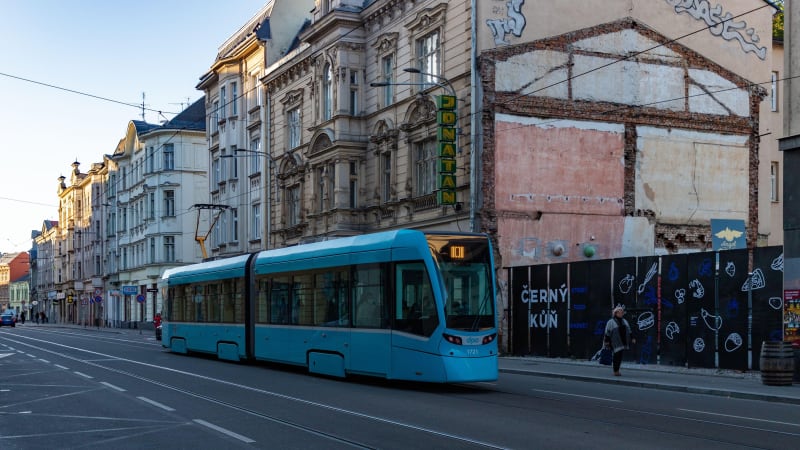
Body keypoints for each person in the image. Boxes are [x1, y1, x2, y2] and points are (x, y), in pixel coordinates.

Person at [604, 304, 635, 376]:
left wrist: (632, 338)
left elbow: (629, 330)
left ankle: (617, 370)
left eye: (622, 312)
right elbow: (607, 332)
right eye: (619, 312)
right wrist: (606, 341)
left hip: (622, 341)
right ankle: (615, 371)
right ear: (615, 313)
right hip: (614, 341)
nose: (621, 314)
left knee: (620, 356)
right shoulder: (611, 322)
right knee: (616, 355)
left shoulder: (625, 321)